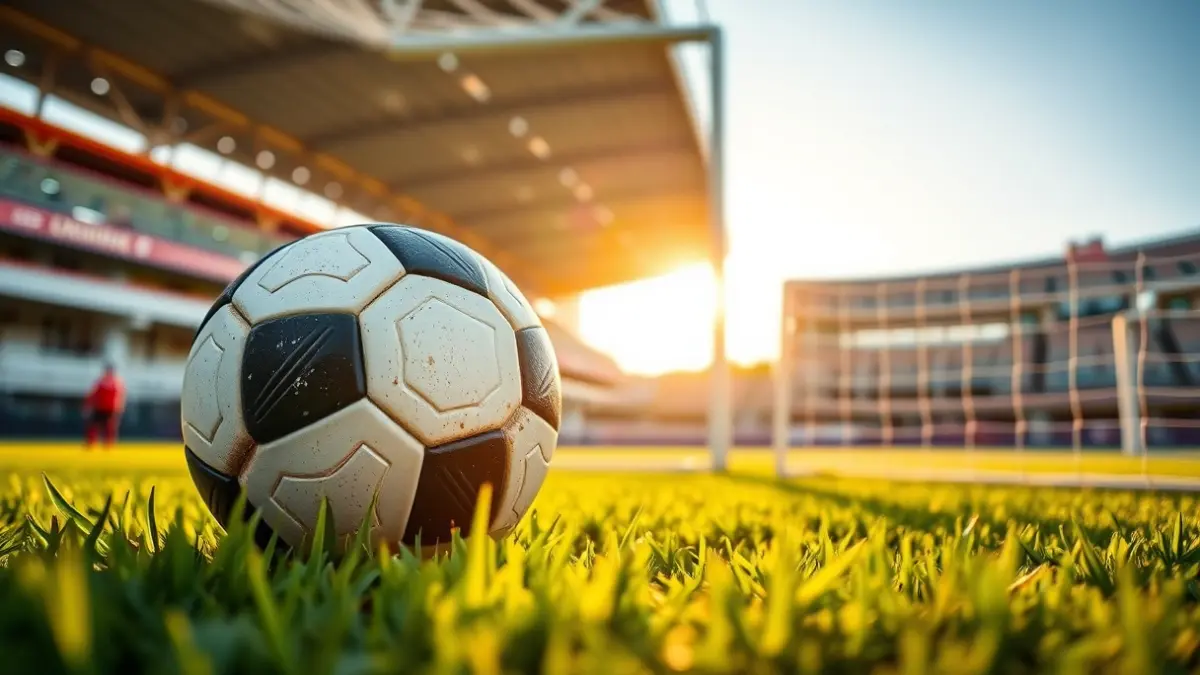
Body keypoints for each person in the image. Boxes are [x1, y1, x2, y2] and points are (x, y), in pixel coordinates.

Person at [83, 363, 126, 451]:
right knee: (94, 426)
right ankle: (91, 443)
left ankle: (108, 445)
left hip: (110, 409)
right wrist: (89, 404)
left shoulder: (115, 382)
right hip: (100, 407)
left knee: (109, 427)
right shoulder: (102, 381)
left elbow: (120, 396)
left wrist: (119, 407)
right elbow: (94, 394)